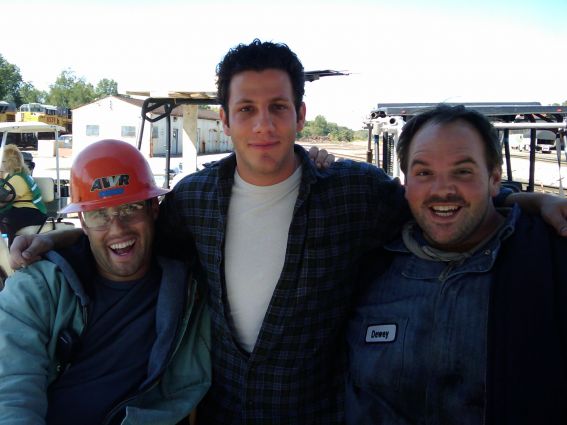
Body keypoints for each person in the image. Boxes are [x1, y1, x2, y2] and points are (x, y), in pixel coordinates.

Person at [9, 41, 567, 424]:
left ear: (301, 113)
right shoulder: (193, 201)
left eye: (278, 106)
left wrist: (528, 199)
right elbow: (124, 228)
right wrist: (61, 239)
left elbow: (436, 199)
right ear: (224, 120)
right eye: (246, 109)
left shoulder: (356, 192)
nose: (264, 124)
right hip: (223, 415)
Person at [345, 105, 567, 425]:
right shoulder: (368, 267)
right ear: (405, 184)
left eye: (462, 171)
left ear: (494, 179)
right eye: (424, 173)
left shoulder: (549, 264)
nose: (442, 190)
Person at [0, 139, 211, 425]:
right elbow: (11, 390)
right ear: (82, 222)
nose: (117, 228)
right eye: (99, 214)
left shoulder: (188, 291)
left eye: (130, 208)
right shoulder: (37, 289)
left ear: (154, 209)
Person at [0, 144, 47, 244]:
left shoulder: (18, 178)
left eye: (3, 162)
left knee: (6, 219)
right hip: (22, 209)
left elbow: (5, 200)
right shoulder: (13, 175)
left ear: (11, 163)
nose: (1, 164)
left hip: (32, 211)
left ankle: (11, 248)